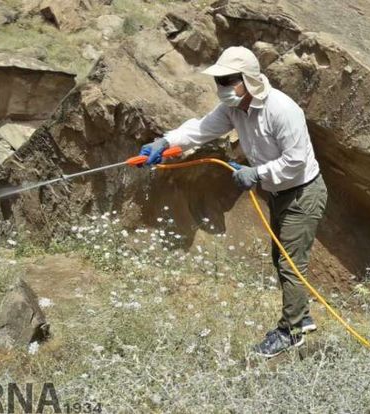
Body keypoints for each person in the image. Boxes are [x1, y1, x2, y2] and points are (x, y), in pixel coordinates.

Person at [139, 46, 327, 358]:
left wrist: (257, 173)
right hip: (278, 193)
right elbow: (200, 130)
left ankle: (290, 331)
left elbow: (295, 161)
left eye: (229, 80)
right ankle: (301, 315)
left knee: (290, 264)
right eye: (220, 81)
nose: (222, 88)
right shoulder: (233, 107)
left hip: (303, 193)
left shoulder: (282, 110)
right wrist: (166, 142)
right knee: (280, 259)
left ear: (248, 80)